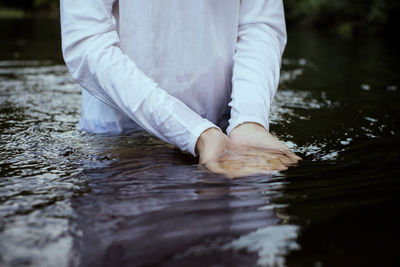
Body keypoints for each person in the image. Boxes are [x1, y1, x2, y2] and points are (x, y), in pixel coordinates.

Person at [60, 0, 301, 177]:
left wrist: (250, 120)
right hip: (121, 142)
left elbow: (259, 25)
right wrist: (193, 132)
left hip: (227, 133)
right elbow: (89, 42)